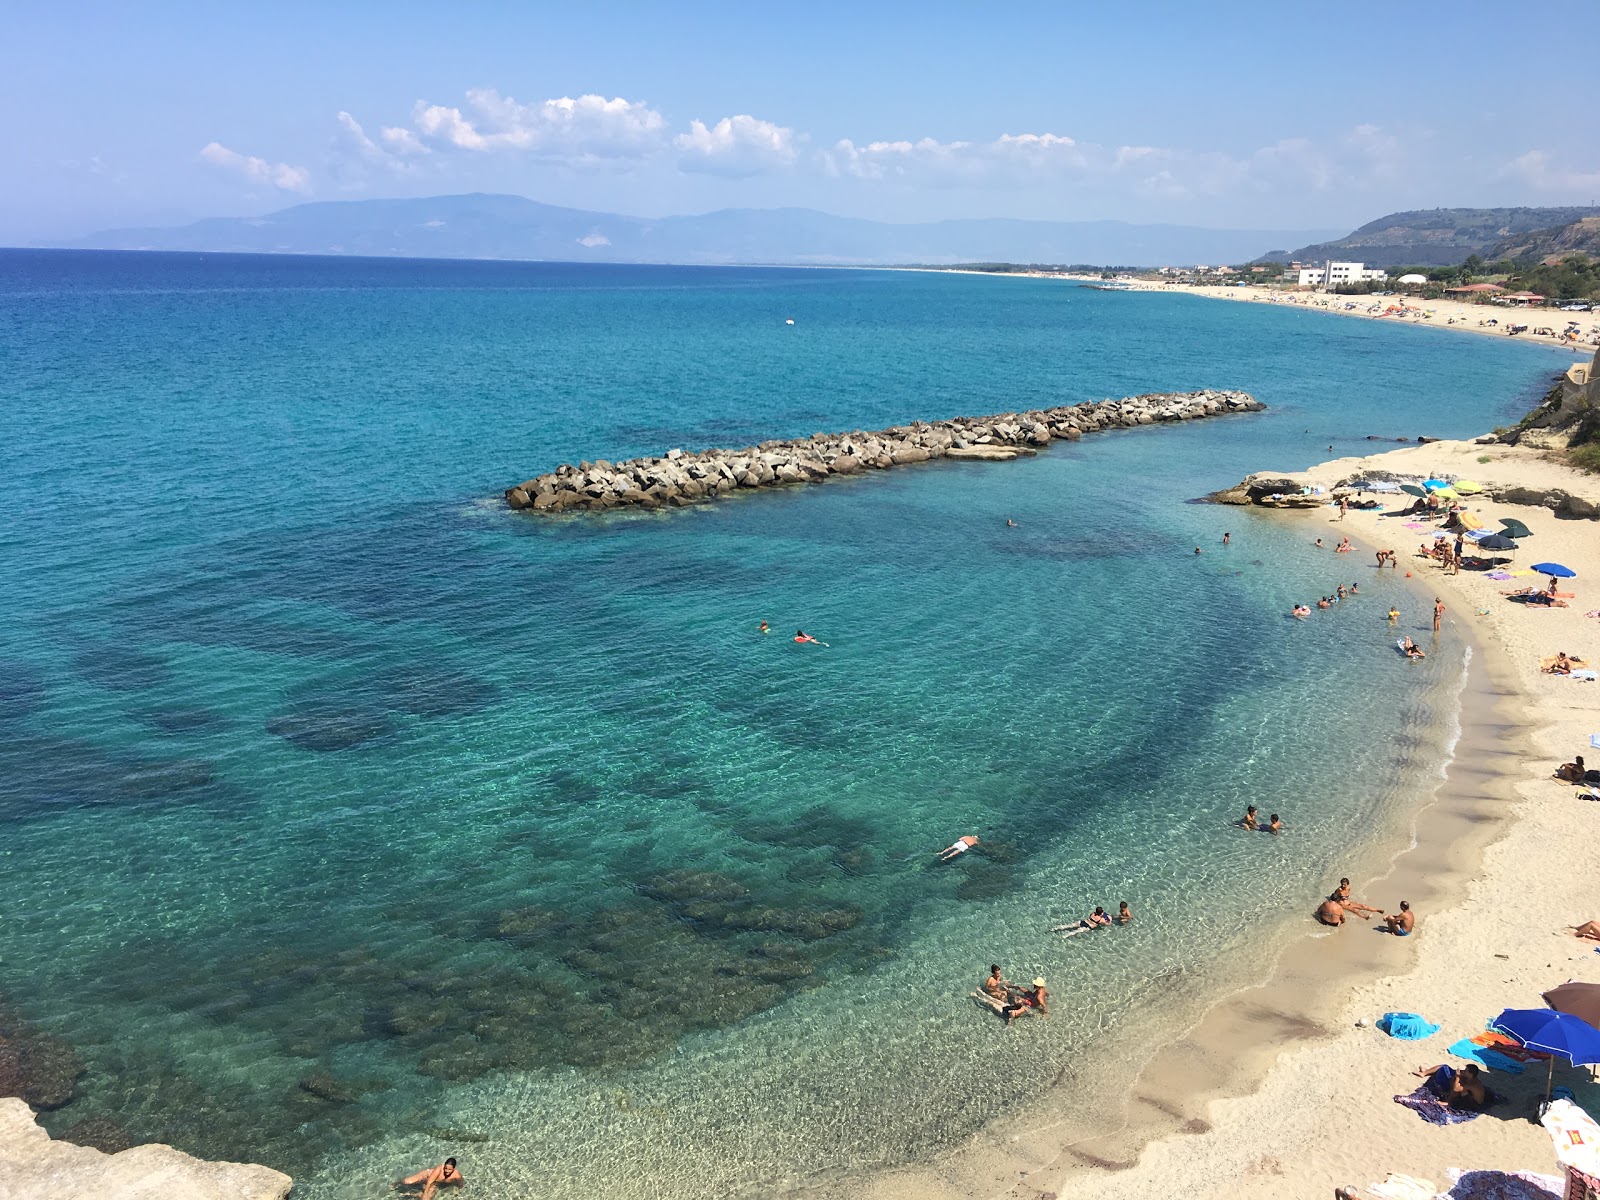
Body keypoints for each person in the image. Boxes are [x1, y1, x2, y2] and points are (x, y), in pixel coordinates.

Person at [1412, 1062, 1487, 1110]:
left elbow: (1456, 1089)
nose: (1464, 1071)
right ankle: (1426, 1072)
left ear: (1470, 1074)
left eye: (1466, 1071)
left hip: (1474, 1104)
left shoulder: (1472, 1083)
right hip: (1474, 1099)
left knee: (1461, 1089)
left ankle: (1448, 1102)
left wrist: (1458, 1076)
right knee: (1456, 1082)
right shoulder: (1472, 1079)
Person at [393, 1159, 463, 1200]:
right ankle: (396, 1183)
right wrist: (425, 1193)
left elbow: (460, 1185)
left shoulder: (457, 1176)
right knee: (408, 1181)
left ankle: (410, 1194)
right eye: (445, 1168)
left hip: (436, 1184)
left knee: (427, 1198)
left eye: (449, 1169)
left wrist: (457, 1192)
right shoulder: (439, 1169)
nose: (446, 1171)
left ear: (454, 1168)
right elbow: (429, 1181)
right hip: (427, 1176)